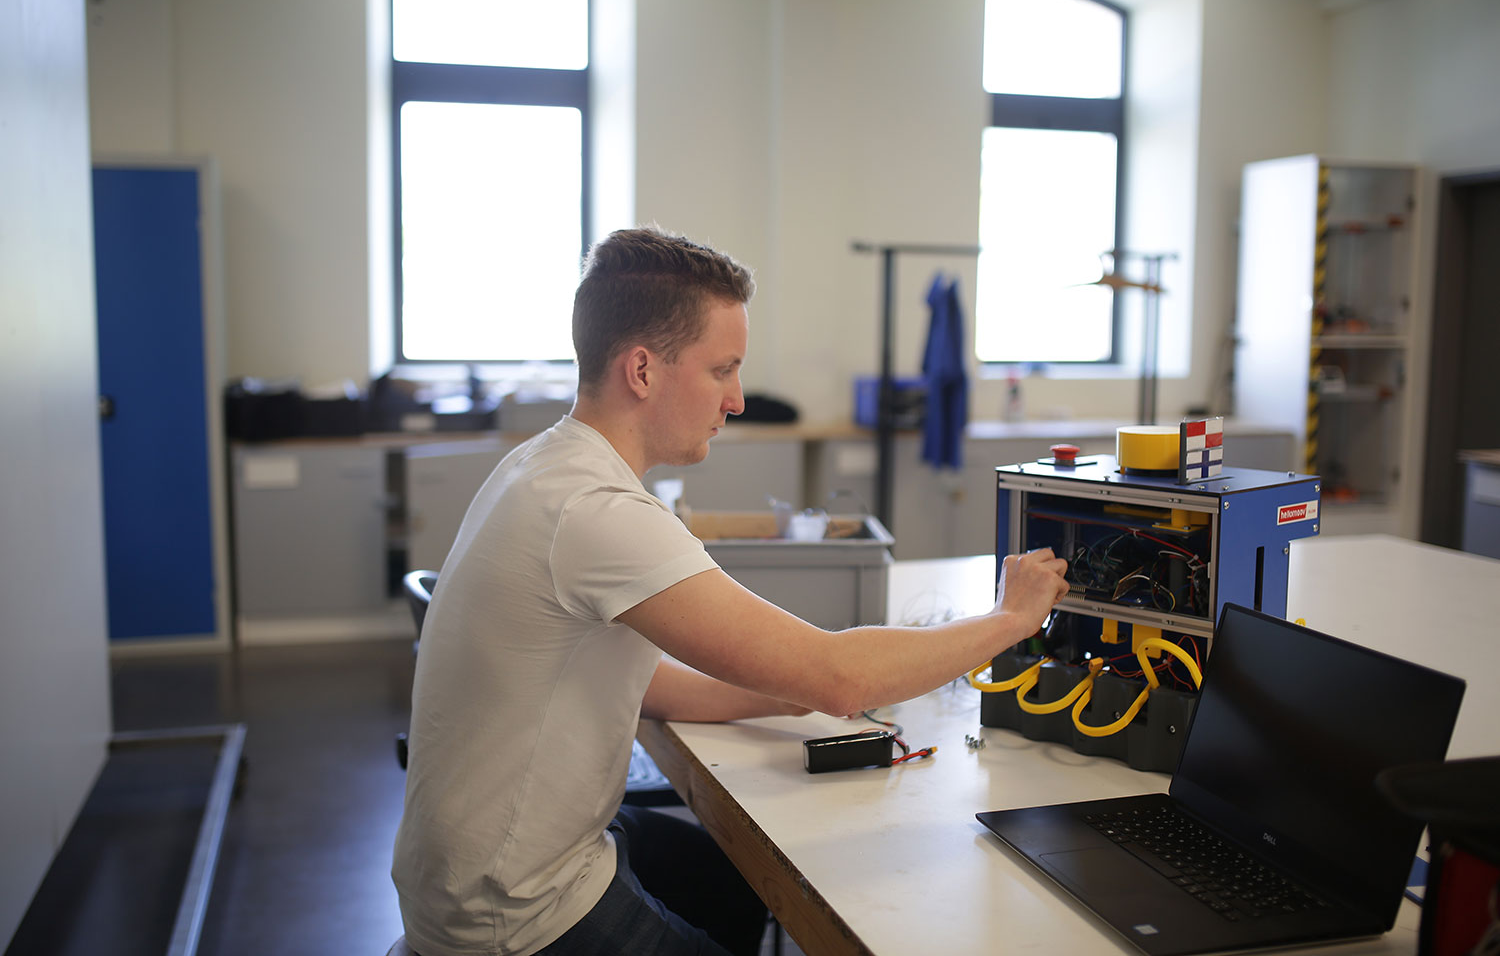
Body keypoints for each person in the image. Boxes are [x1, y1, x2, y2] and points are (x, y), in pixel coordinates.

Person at [391, 227, 1070, 956]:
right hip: (511, 917)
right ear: (643, 371)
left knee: (733, 889)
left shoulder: (542, 465)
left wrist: (782, 691)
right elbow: (843, 677)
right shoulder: (595, 512)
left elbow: (644, 685)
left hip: (483, 870)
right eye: (722, 370)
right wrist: (1011, 617)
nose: (739, 398)